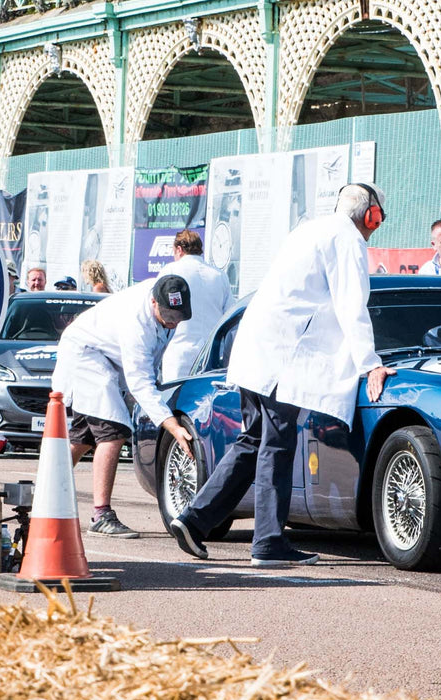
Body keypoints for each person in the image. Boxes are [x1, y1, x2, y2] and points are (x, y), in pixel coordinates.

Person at [169, 184, 394, 568]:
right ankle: (269, 542)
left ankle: (194, 518)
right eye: (380, 217)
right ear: (371, 214)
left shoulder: (308, 230)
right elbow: (351, 305)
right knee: (276, 443)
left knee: (252, 439)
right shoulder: (348, 239)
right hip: (284, 356)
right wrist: (370, 362)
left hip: (256, 349)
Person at [53, 274, 194, 538]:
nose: (173, 322)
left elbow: (150, 367)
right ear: (154, 301)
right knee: (113, 430)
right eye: (167, 315)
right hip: (86, 354)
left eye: (179, 316)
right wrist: (171, 424)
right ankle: (101, 515)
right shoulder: (136, 322)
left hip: (104, 358)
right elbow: (139, 381)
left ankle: (43, 491)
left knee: (84, 438)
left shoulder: (168, 306)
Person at [161, 228, 236, 380]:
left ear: (179, 250)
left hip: (178, 353)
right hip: (210, 355)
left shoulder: (170, 270)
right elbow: (230, 321)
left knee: (175, 401)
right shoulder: (219, 276)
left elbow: (157, 311)